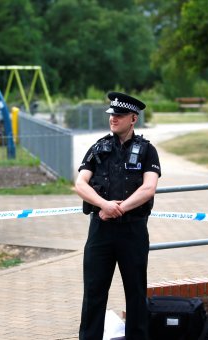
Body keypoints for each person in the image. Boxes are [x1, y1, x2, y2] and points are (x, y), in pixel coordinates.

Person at [76, 92, 161, 339]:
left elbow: (148, 188)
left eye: (120, 115)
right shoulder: (98, 148)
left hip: (132, 231)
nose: (113, 118)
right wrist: (104, 204)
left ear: (133, 118)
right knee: (93, 292)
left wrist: (118, 209)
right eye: (112, 114)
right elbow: (80, 184)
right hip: (100, 231)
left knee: (135, 292)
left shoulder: (147, 151)